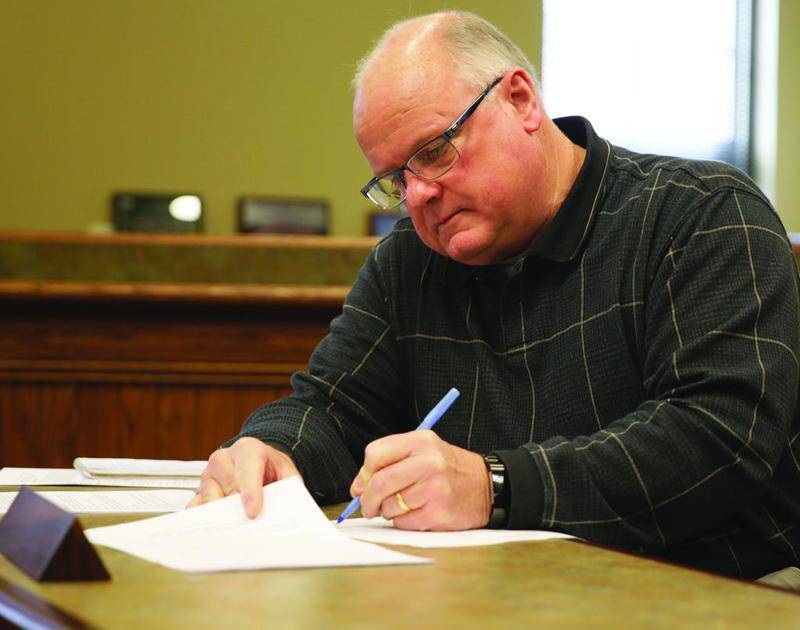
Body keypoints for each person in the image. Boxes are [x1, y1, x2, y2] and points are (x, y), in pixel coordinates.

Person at [189, 11, 800, 581]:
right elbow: (329, 409)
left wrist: (494, 486)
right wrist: (269, 449)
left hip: (712, 589)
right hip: (492, 592)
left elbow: (719, 438)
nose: (420, 194)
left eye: (434, 151)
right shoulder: (409, 264)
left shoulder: (700, 214)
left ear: (520, 100)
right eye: (397, 178)